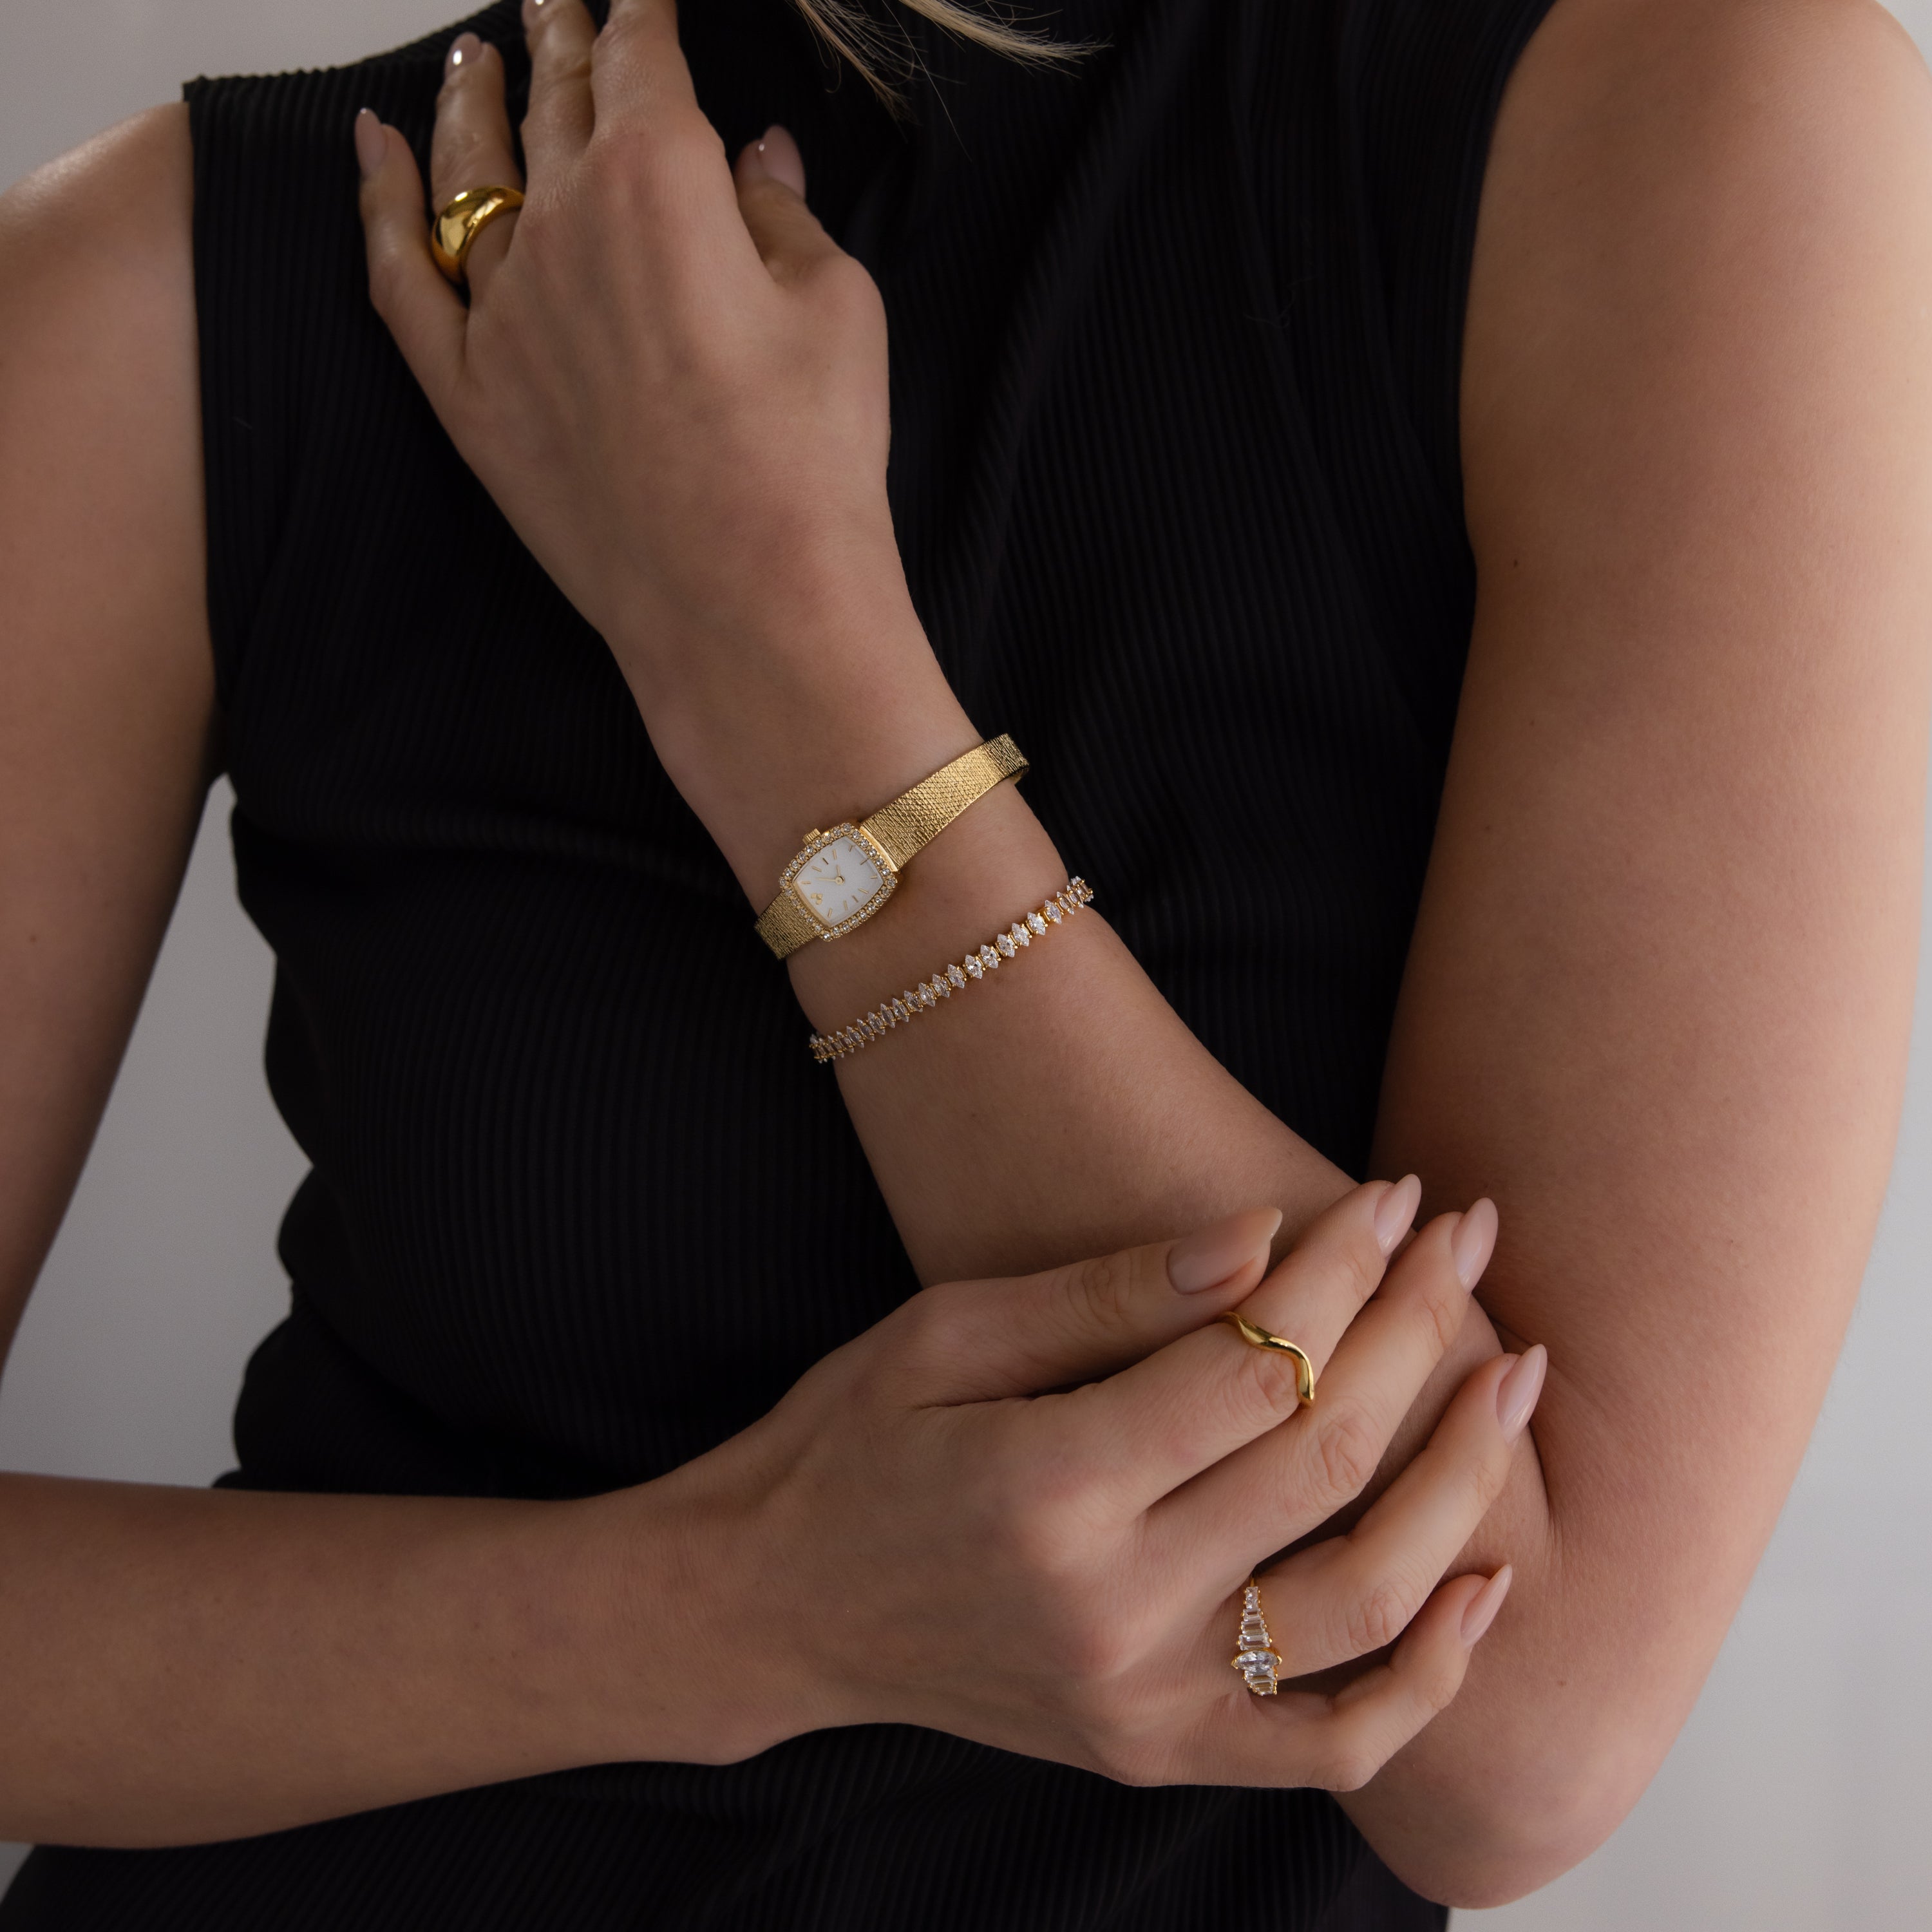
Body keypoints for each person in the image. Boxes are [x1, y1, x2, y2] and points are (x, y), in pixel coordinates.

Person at [1, 0, 1928, 1924]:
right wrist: (743, 1612)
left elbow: (1513, 1736)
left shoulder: (1691, 113)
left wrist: (764, 636)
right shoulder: (196, 271)